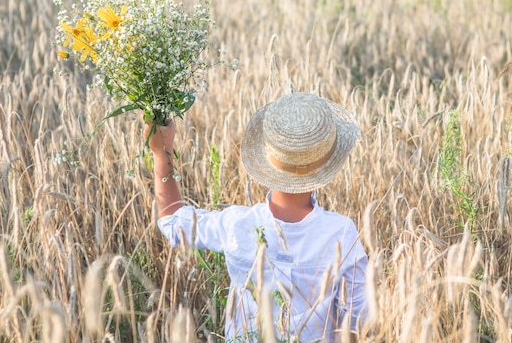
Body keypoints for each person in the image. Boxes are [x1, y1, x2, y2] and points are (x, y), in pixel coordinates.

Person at [145, 92, 368, 343]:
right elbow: (360, 319)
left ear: (268, 160)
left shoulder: (237, 225)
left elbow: (172, 220)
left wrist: (161, 152)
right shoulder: (341, 233)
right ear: (324, 165)